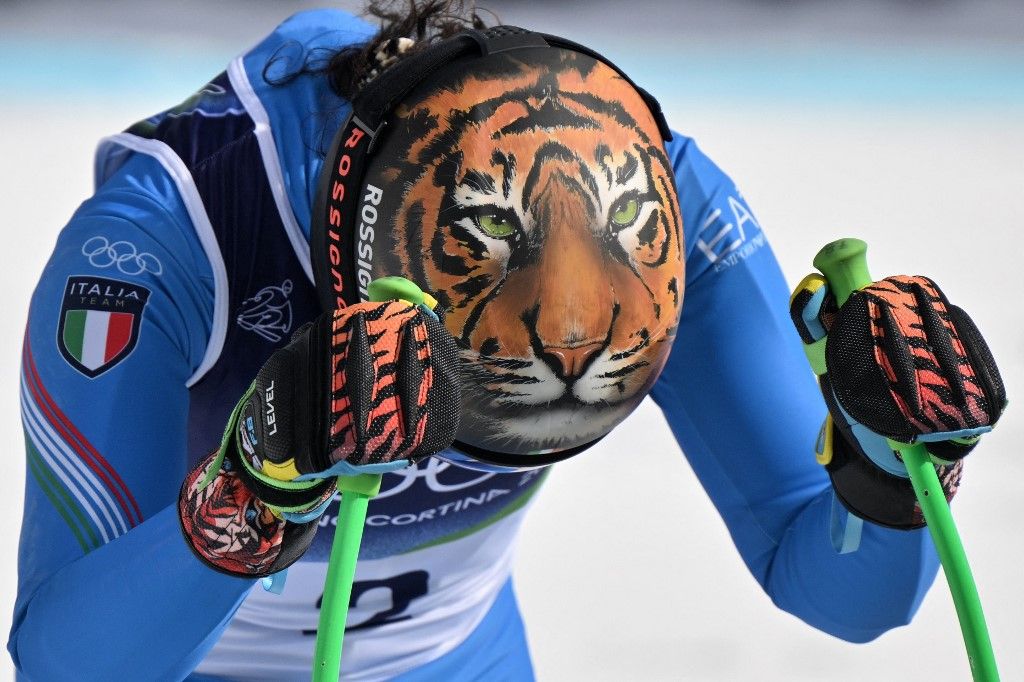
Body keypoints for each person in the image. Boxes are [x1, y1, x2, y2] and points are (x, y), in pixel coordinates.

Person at [8, 2, 1005, 680]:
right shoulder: (169, 233)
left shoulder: (661, 199)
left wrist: (891, 467)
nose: (569, 343)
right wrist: (254, 488)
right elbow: (65, 659)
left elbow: (840, 595)